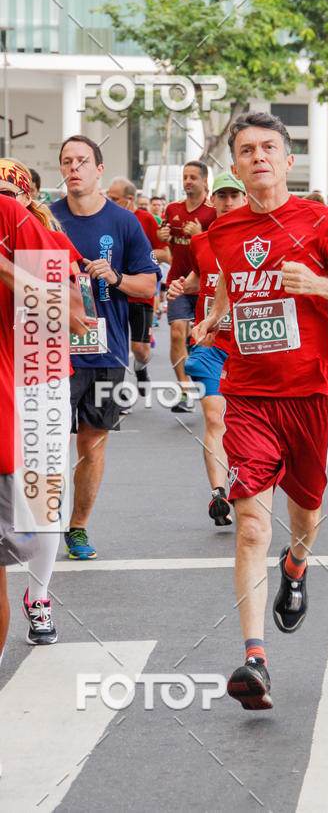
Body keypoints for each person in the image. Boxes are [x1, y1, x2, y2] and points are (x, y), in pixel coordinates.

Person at [195, 111, 328, 709]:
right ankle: (255, 659)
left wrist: (321, 287)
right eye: (246, 149)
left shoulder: (323, 222)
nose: (258, 158)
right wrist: (215, 319)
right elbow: (229, 285)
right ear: (236, 163)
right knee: (251, 524)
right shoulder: (220, 233)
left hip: (308, 394)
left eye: (268, 148)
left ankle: (297, 566)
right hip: (247, 393)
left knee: (306, 516)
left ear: (288, 159)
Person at [51, 135, 160, 560]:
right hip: (53, 354)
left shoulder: (124, 222)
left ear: (98, 169)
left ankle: (77, 528)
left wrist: (114, 278)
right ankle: (40, 524)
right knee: (46, 442)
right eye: (66, 161)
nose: (73, 167)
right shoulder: (45, 219)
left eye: (82, 160)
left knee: (92, 446)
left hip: (107, 355)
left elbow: (148, 284)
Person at [0, 161, 84, 646]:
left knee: (44, 499)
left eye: (9, 195)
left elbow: (73, 317)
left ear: (26, 199)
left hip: (40, 379)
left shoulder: (42, 236)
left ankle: (40, 596)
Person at [169, 172, 247, 527]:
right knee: (216, 419)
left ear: (245, 199)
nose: (228, 202)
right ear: (212, 202)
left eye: (234, 196)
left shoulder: (260, 240)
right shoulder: (201, 241)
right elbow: (197, 280)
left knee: (244, 424)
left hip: (250, 349)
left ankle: (246, 482)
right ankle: (220, 494)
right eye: (222, 196)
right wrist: (178, 289)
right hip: (211, 347)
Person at [157, 162, 216, 413]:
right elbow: (166, 243)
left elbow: (218, 248)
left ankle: (211, 390)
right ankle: (184, 392)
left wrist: (200, 234)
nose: (188, 181)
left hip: (206, 283)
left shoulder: (213, 212)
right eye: (185, 177)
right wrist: (162, 239)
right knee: (176, 333)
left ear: (205, 182)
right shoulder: (172, 209)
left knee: (205, 339)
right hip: (178, 281)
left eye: (193, 177)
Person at [107, 176, 170, 394]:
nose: (109, 201)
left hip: (140, 292)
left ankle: (142, 368)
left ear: (129, 199)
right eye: (108, 196)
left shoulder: (146, 220)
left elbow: (165, 253)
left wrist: (140, 255)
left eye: (114, 198)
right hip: (112, 292)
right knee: (116, 345)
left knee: (140, 349)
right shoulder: (105, 218)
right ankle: (119, 391)